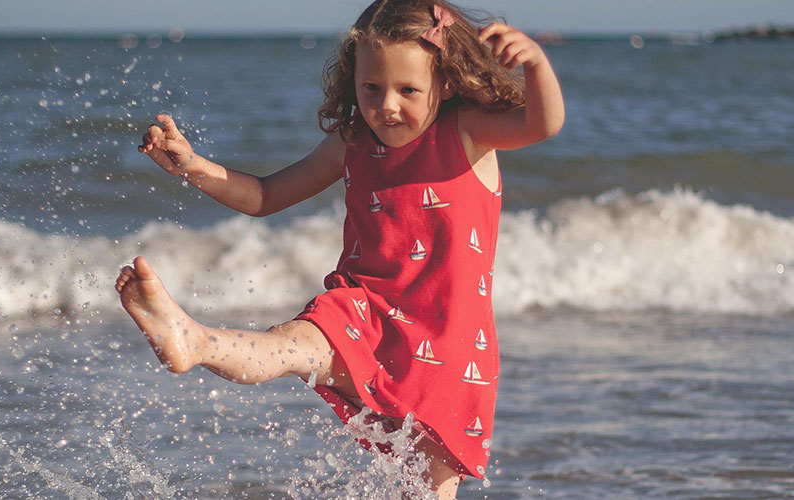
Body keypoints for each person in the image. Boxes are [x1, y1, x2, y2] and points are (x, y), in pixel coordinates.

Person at [116, 1, 563, 497]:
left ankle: (197, 342)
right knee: (291, 343)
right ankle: (196, 341)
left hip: (452, 343)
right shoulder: (353, 140)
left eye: (408, 90)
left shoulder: (468, 132)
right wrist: (193, 166)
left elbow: (541, 125)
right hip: (364, 311)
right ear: (353, 79)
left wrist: (537, 65)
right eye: (371, 88)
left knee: (431, 489)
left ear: (447, 83)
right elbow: (265, 196)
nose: (387, 106)